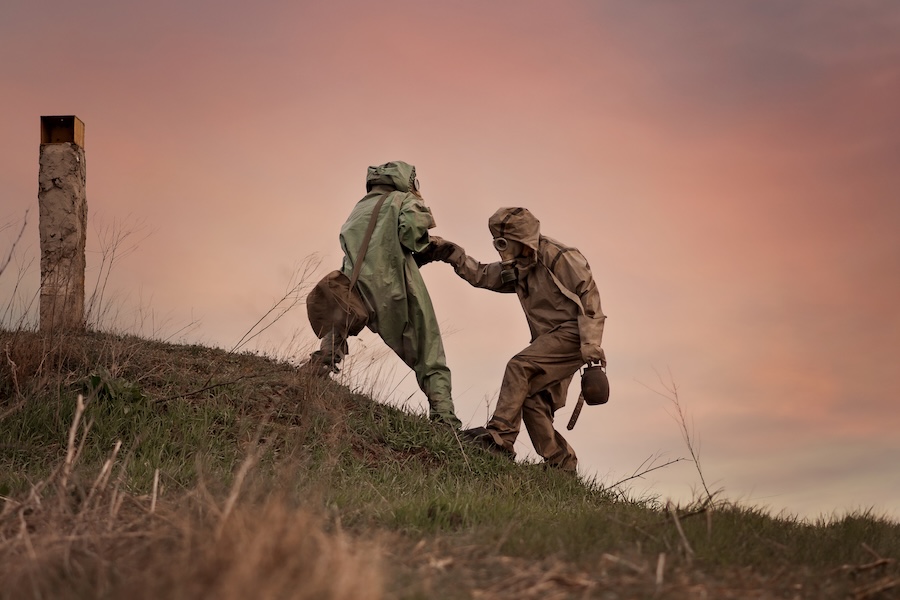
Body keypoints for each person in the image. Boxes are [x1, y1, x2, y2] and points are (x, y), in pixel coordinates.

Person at [432, 207, 606, 471]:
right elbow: (481, 275)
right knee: (533, 400)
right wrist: (453, 254)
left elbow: (589, 295)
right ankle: (562, 465)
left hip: (574, 335)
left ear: (522, 238)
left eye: (504, 242)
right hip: (550, 340)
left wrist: (591, 346)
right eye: (497, 242)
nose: (501, 249)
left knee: (519, 366)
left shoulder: (559, 256)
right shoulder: (519, 266)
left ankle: (500, 436)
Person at [304, 161, 462, 429]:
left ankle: (320, 366)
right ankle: (444, 418)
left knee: (340, 323)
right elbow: (412, 237)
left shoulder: (360, 206)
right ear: (407, 180)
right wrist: (434, 241)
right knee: (428, 352)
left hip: (355, 282)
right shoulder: (404, 200)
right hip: (396, 286)